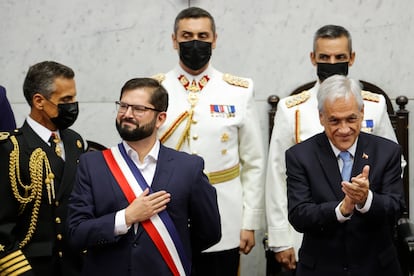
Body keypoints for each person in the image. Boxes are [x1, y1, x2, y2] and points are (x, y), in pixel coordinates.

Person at [265, 24, 400, 272]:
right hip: (313, 235)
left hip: (369, 242)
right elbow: (276, 176)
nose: (344, 129)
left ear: (351, 57)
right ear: (313, 58)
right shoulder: (292, 108)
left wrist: (366, 196)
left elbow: (393, 165)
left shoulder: (374, 103)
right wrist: (279, 238)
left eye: (339, 57)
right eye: (325, 57)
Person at [66, 77, 221, 276]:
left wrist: (169, 252)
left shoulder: (188, 167)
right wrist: (126, 218)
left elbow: (209, 232)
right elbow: (76, 232)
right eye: (123, 106)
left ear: (161, 119)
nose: (127, 114)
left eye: (139, 109)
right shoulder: (92, 164)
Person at [152, 7, 266, 275]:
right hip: (166, 212)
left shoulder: (238, 90)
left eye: (203, 35)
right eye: (187, 35)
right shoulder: (154, 89)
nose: (195, 42)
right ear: (173, 40)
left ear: (214, 39)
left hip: (224, 215)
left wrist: (249, 222)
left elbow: (254, 162)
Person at [286, 74, 404, 275]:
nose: (344, 129)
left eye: (351, 119)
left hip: (376, 267)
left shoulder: (387, 152)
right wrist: (341, 209)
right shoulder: (300, 156)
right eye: (334, 121)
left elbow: (396, 208)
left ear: (362, 112)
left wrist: (366, 200)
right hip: (321, 268)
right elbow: (299, 215)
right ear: (321, 117)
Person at [0, 61, 84, 275]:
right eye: (66, 100)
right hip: (33, 268)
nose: (73, 105)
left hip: (75, 266)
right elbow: (2, 228)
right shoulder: (11, 149)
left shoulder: (75, 142)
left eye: (73, 98)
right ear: (39, 101)